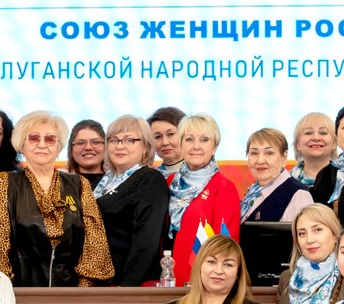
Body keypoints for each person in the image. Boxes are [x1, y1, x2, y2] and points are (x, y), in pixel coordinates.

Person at [0, 110, 115, 287]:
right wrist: (7, 291)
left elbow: (96, 246)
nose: (42, 145)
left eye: (50, 139)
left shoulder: (79, 184)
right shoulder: (4, 182)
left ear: (58, 146)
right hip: (19, 292)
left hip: (73, 293)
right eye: (33, 138)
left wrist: (81, 291)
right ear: (22, 144)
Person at [166, 114, 244, 282]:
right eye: (189, 139)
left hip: (199, 281)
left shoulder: (223, 187)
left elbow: (224, 248)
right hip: (165, 278)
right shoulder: (169, 183)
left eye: (204, 140)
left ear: (214, 147)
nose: (196, 146)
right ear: (181, 145)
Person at [94, 115, 169, 287]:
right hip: (97, 280)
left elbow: (146, 240)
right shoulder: (99, 183)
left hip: (127, 283)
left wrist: (127, 287)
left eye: (129, 140)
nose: (119, 146)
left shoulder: (150, 179)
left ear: (145, 147)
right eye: (114, 140)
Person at [240, 128, 313, 223]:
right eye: (254, 153)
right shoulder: (252, 193)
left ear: (284, 157)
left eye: (269, 153)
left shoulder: (299, 195)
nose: (260, 161)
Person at [291, 112, 335, 189]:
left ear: (334, 143)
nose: (316, 138)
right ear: (298, 144)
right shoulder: (283, 183)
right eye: (308, 133)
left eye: (323, 133)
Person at [149, 106, 187, 176]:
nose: (165, 142)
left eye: (170, 134)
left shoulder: (203, 172)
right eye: (158, 137)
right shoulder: (149, 178)